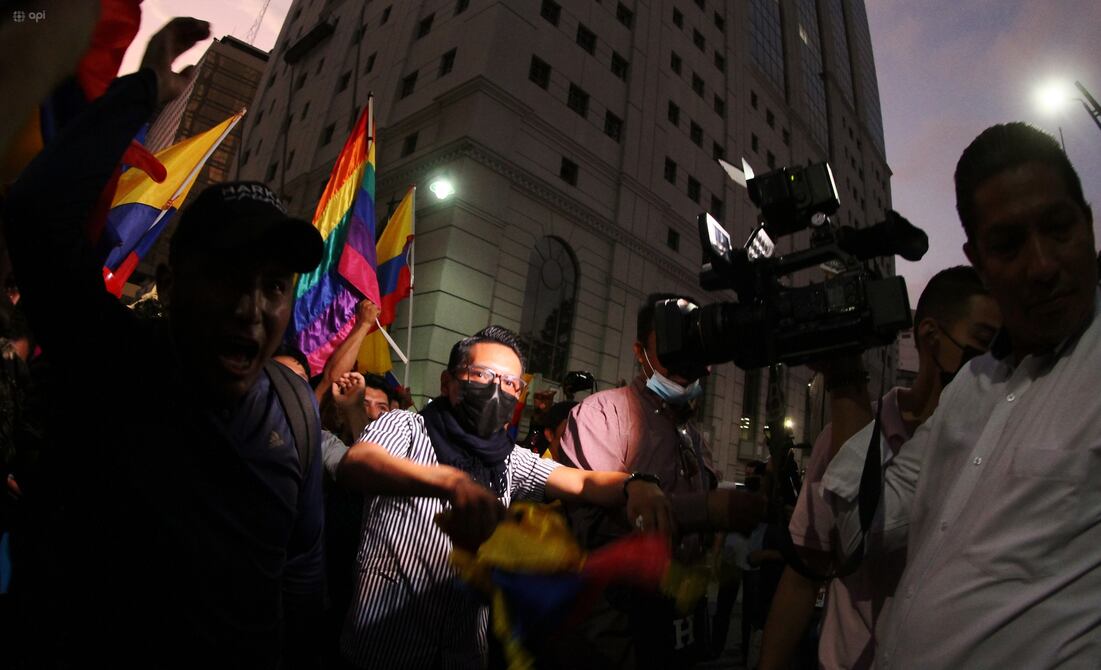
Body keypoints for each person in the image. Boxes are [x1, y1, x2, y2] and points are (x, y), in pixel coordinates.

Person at [3, 18, 326, 667]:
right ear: (172, 286)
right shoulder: (108, 358)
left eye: (273, 285)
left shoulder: (295, 411)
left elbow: (300, 571)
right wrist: (142, 91)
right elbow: (36, 216)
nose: (251, 309)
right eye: (227, 276)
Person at [822, 122, 1100, 667]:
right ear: (978, 261)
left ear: (1088, 223)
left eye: (1059, 228)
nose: (1042, 265)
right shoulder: (970, 387)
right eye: (1008, 245)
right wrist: (845, 376)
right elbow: (862, 528)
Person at [335, 325, 679, 669]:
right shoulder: (405, 427)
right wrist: (446, 480)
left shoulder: (509, 458)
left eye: (511, 383)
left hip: (463, 655)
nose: (496, 389)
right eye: (482, 375)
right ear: (447, 382)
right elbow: (359, 463)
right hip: (383, 649)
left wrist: (636, 483)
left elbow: (583, 482)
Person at [758, 266, 1001, 670]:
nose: (996, 363)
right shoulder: (847, 437)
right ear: (930, 336)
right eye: (983, 343)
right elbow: (804, 576)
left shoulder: (993, 442)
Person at [556, 293, 766, 668]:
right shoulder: (602, 414)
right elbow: (595, 526)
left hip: (680, 620)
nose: (686, 358)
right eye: (672, 341)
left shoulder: (692, 435)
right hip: (615, 624)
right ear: (640, 352)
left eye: (695, 343)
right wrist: (706, 510)